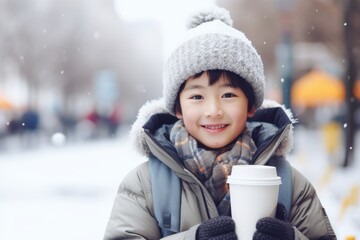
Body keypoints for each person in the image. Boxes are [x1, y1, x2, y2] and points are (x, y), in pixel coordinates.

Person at [104, 6, 336, 240]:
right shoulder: (146, 185)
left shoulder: (288, 183)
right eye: (197, 97)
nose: (213, 110)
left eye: (228, 95)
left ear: (251, 105)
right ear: (178, 108)